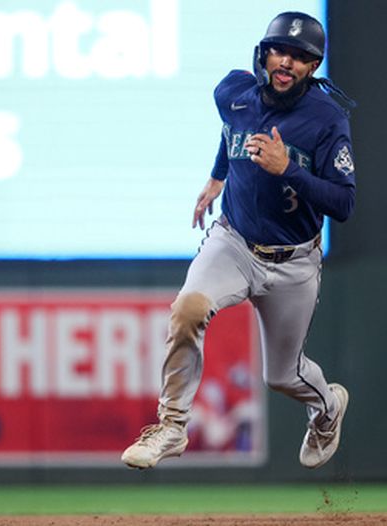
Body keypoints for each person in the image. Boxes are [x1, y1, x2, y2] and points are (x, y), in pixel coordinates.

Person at [122, 11, 356, 470]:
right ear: (262, 54)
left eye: (301, 57)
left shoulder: (327, 120)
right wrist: (217, 175)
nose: (287, 62)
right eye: (279, 51)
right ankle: (172, 426)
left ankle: (327, 407)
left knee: (282, 377)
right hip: (234, 241)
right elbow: (232, 131)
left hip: (293, 262)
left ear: (313, 67)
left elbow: (344, 204)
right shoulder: (232, 92)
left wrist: (288, 169)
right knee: (188, 308)